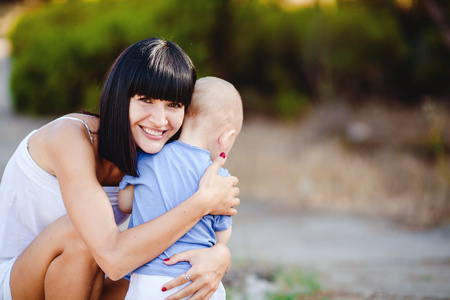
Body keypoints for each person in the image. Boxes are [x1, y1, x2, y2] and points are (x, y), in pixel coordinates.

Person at [0, 37, 240, 300]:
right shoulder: (68, 138)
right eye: (146, 100)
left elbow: (167, 238)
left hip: (87, 278)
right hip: (19, 280)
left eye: (174, 105)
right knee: (81, 235)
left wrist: (220, 255)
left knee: (167, 283)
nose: (160, 120)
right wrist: (201, 203)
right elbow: (112, 256)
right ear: (120, 97)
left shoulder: (155, 155)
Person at [118, 76, 243, 300]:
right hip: (199, 279)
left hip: (148, 282)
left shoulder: (147, 157)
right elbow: (222, 237)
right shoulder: (219, 178)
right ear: (227, 138)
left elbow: (125, 203)